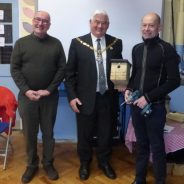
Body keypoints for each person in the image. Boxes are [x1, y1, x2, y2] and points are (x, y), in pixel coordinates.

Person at [64, 10, 122, 180]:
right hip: (84, 98)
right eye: (97, 21)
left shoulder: (116, 43)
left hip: (108, 98)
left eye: (104, 23)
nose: (100, 26)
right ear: (90, 22)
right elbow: (70, 74)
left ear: (108, 25)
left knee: (106, 132)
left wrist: (122, 83)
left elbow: (118, 67)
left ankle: (104, 161)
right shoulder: (77, 43)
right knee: (85, 133)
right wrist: (72, 96)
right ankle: (84, 162)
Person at [10, 11, 66, 183]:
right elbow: (15, 69)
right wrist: (27, 90)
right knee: (29, 133)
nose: (41, 23)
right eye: (38, 20)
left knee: (48, 133)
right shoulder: (21, 43)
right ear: (33, 21)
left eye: (45, 21)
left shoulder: (56, 44)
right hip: (27, 98)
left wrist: (48, 90)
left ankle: (48, 163)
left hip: (49, 98)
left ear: (49, 25)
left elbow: (62, 69)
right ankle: (31, 165)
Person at [124, 12, 180, 184]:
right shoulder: (137, 49)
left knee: (156, 146)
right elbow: (135, 75)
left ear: (159, 28)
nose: (147, 29)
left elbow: (174, 81)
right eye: (144, 25)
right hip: (136, 106)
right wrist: (128, 89)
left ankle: (160, 181)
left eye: (151, 25)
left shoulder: (167, 49)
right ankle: (139, 179)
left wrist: (148, 98)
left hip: (154, 108)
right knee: (141, 144)